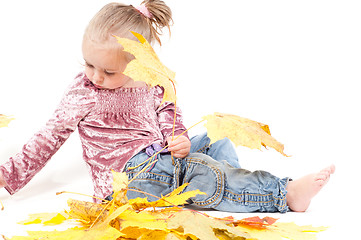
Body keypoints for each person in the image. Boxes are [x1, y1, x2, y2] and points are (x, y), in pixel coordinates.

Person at [0, 0, 334, 213]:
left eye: (108, 70)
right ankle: (283, 194)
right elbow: (47, 139)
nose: (95, 76)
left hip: (159, 156)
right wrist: (5, 176)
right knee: (201, 169)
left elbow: (169, 116)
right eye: (88, 64)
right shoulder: (83, 91)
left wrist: (178, 138)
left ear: (139, 61)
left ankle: (216, 189)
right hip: (128, 178)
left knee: (217, 143)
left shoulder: (153, 79)